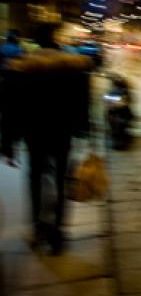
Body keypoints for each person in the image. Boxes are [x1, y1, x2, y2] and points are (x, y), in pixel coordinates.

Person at [1, 24, 93, 254]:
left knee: (35, 179)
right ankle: (59, 231)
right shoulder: (72, 67)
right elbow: (82, 102)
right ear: (55, 39)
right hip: (62, 133)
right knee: (62, 181)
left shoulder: (21, 68)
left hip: (34, 135)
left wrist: (8, 143)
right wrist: (84, 130)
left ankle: (37, 226)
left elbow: (11, 110)